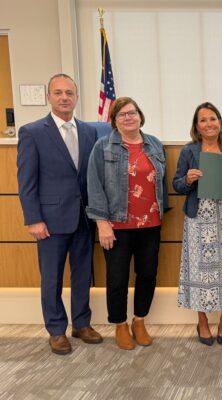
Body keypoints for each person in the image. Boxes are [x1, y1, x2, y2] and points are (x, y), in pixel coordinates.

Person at [17, 74, 102, 355]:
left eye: (69, 93)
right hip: (50, 221)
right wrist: (33, 219)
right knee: (51, 278)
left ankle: (81, 323)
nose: (64, 97)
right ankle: (56, 330)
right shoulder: (33, 132)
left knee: (82, 274)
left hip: (83, 217)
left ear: (76, 97)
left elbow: (90, 175)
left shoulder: (89, 131)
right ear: (49, 97)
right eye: (58, 93)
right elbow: (27, 181)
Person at [87, 97, 169, 350]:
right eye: (121, 114)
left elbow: (160, 183)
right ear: (114, 120)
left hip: (151, 224)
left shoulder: (154, 144)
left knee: (147, 275)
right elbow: (94, 185)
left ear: (140, 116)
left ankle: (139, 320)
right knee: (117, 279)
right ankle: (120, 325)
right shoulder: (103, 147)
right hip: (117, 226)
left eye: (132, 112)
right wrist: (102, 223)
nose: (128, 117)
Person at [173, 102, 222, 346]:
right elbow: (176, 184)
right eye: (203, 120)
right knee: (198, 271)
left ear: (220, 122)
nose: (209, 124)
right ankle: (203, 321)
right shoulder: (189, 151)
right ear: (196, 126)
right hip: (198, 218)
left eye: (213, 118)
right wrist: (187, 179)